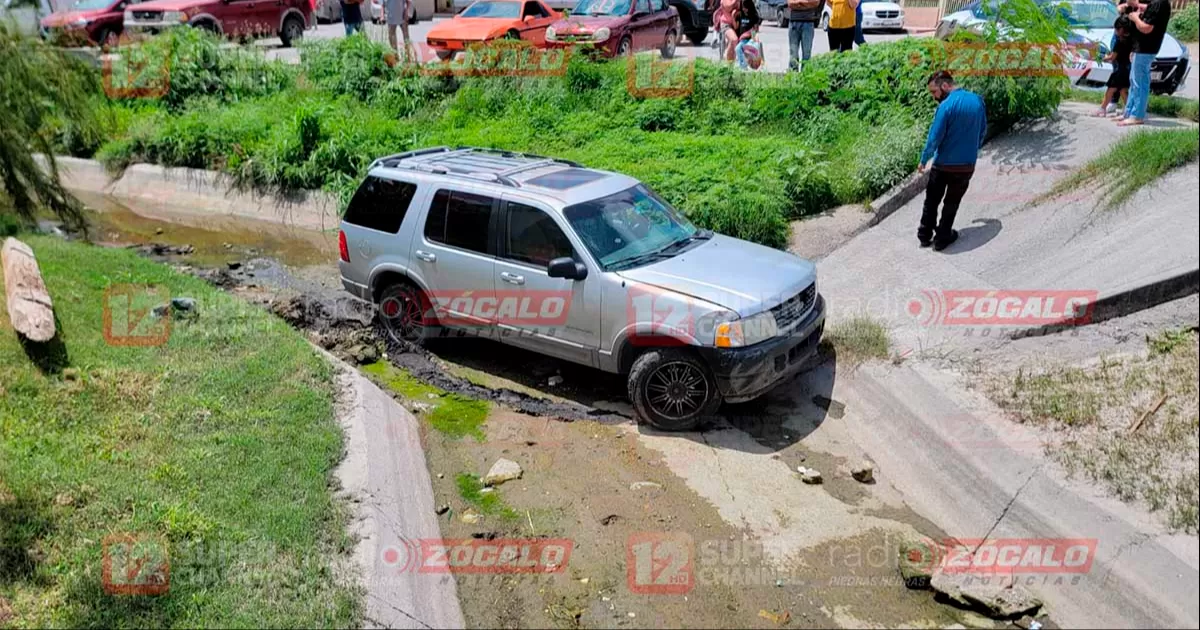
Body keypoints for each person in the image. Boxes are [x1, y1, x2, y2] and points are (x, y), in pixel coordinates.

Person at [917, 71, 987, 251]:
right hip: (966, 166)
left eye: (934, 92)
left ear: (945, 86)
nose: (934, 97)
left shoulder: (946, 106)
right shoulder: (978, 101)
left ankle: (924, 235)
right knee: (952, 202)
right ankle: (942, 238)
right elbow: (982, 131)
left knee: (932, 200)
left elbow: (935, 137)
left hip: (942, 165)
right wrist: (972, 151)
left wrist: (924, 158)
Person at [1120, 0, 1171, 126]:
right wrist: (1136, 5)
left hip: (1146, 48)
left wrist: (1135, 18)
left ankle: (1137, 115)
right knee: (1134, 81)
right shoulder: (1157, 4)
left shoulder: (1159, 3)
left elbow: (1146, 28)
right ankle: (1129, 113)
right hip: (1141, 48)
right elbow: (1149, 9)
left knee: (1140, 82)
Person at [1094, 15, 1134, 117]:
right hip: (1128, 69)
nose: (1115, 30)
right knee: (1123, 90)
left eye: (1116, 28)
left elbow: (1112, 57)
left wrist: (1101, 58)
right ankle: (1128, 109)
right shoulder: (1132, 40)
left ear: (1121, 29)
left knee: (1111, 89)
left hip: (1119, 70)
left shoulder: (1119, 43)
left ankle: (1102, 109)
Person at [787, 0, 825, 71]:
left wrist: (799, 3)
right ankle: (793, 77)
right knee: (793, 54)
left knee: (806, 54)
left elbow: (816, 2)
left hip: (808, 23)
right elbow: (790, 3)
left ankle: (805, 76)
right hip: (794, 23)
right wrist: (807, 4)